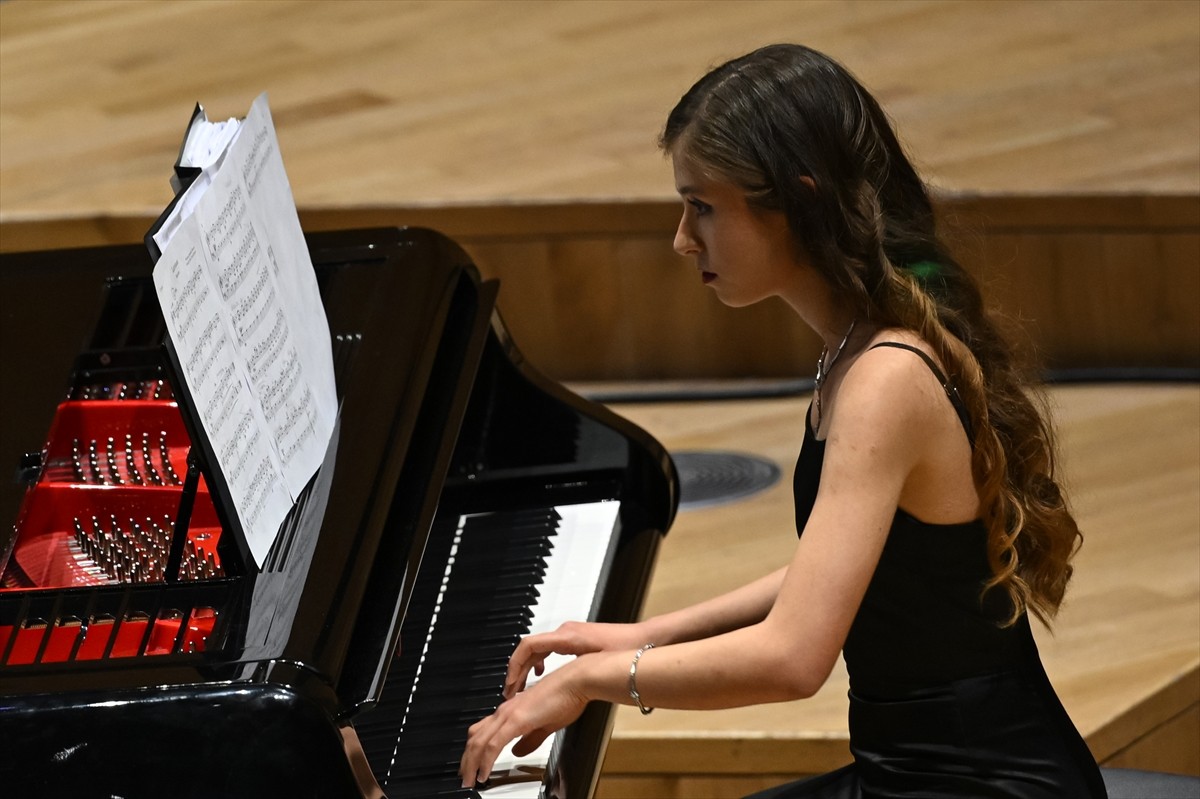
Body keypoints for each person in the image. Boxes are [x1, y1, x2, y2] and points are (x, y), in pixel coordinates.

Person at [459, 43, 1108, 798]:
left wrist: (596, 680)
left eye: (702, 205)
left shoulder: (886, 376)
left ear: (798, 201)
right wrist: (647, 634)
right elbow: (842, 570)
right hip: (916, 774)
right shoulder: (860, 343)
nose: (681, 237)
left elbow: (795, 657)